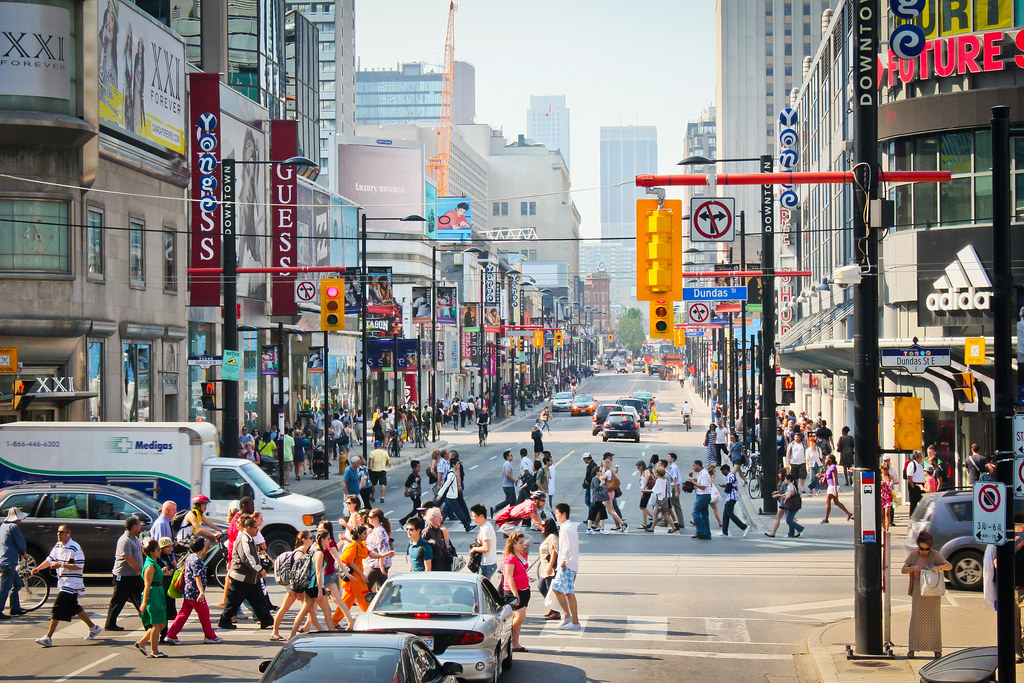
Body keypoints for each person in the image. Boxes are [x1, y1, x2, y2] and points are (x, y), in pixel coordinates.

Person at [31, 525, 102, 647]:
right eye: (58, 532)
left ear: (68, 533)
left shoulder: (75, 547)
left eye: (61, 532)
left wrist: (61, 565)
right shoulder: (58, 546)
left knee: (57, 607)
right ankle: (93, 627)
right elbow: (50, 560)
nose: (58, 534)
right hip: (62, 581)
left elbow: (79, 565)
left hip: (72, 582)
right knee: (74, 607)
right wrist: (38, 568)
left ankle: (48, 637)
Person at [218, 514, 274, 631]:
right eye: (255, 528)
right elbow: (247, 558)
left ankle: (266, 619)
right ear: (249, 528)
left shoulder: (248, 538)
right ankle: (224, 620)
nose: (257, 530)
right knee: (234, 600)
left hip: (250, 577)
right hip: (241, 576)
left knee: (258, 598)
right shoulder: (244, 539)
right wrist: (260, 569)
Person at [902, 530, 951, 659]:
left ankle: (936, 648)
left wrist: (938, 568)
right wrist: (913, 568)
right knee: (916, 619)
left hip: (932, 591)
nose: (924, 551)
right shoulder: (914, 556)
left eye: (927, 549)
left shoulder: (934, 555)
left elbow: (949, 566)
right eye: (922, 549)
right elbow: (903, 570)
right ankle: (913, 648)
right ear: (918, 546)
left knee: (934, 620)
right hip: (919, 589)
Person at [165, 536, 222, 645]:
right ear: (202, 547)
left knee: (183, 614)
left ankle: (171, 634)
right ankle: (210, 636)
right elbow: (197, 577)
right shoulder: (197, 560)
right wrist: (201, 592)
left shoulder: (190, 557)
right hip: (195, 593)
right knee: (204, 614)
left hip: (188, 591)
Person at [105, 515, 144, 631]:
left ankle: (148, 622)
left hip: (135, 576)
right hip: (124, 577)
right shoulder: (124, 540)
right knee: (118, 600)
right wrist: (141, 571)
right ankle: (110, 624)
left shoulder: (135, 539)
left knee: (140, 599)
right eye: (138, 524)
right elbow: (129, 559)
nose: (140, 526)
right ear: (133, 527)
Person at [134, 539, 168, 658]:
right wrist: (144, 602)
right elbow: (147, 585)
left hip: (158, 592)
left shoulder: (155, 562)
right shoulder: (150, 565)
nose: (160, 551)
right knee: (156, 624)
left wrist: (164, 571)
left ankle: (142, 642)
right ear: (152, 551)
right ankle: (155, 651)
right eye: (158, 549)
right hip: (153, 594)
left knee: (162, 624)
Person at [551, 503, 581, 630]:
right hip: (566, 564)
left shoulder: (566, 528)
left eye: (557, 513)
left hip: (567, 565)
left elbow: (567, 547)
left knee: (569, 593)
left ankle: (575, 622)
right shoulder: (567, 526)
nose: (556, 516)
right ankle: (567, 615)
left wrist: (563, 562)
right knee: (556, 588)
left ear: (564, 514)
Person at [501, 531, 531, 653]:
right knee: (519, 616)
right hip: (514, 591)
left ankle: (515, 643)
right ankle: (508, 639)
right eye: (520, 543)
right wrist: (515, 594)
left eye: (523, 542)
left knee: (520, 618)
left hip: (524, 589)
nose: (522, 545)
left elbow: (522, 569)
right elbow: (509, 577)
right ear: (513, 544)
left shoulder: (521, 555)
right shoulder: (509, 558)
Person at [0, 507, 29, 619]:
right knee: (5, 587)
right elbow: (20, 543)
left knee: (16, 584)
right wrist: (24, 553)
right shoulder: (14, 527)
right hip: (9, 561)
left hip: (3, 560)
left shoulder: (3, 526)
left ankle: (15, 608)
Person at [436, 458, 473, 532]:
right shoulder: (451, 474)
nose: (459, 465)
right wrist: (440, 495)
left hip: (451, 496)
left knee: (445, 511)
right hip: (451, 497)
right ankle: (467, 526)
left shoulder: (453, 473)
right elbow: (446, 485)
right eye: (458, 463)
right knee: (458, 512)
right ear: (453, 465)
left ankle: (436, 525)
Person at [538, 519, 560, 621]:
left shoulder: (552, 537)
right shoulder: (548, 537)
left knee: (547, 588)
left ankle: (556, 611)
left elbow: (554, 552)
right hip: (544, 567)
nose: (541, 527)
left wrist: (550, 565)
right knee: (542, 587)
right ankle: (553, 608)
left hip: (549, 568)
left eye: (543, 525)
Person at [365, 510, 393, 591]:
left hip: (377, 565)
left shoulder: (380, 531)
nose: (368, 519)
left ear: (376, 519)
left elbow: (382, 549)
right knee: (383, 590)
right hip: (376, 563)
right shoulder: (375, 529)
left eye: (370, 517)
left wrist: (381, 566)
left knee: (364, 586)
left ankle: (367, 602)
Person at [469, 504, 498, 580]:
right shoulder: (485, 526)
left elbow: (486, 548)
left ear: (481, 516)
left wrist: (474, 549)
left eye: (475, 516)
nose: (473, 518)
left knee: (482, 588)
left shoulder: (486, 529)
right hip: (487, 563)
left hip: (486, 564)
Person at [820, 454, 853, 523]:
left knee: (828, 501)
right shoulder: (829, 467)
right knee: (836, 502)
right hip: (831, 486)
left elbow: (834, 478)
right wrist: (821, 475)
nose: (825, 460)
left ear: (831, 460)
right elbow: (827, 475)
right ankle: (848, 514)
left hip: (832, 486)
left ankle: (826, 519)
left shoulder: (833, 467)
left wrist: (835, 490)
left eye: (827, 459)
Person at [720, 464, 749, 536]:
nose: (722, 473)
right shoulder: (730, 476)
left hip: (731, 497)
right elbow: (731, 485)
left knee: (730, 514)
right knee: (725, 514)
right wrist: (726, 486)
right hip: (731, 497)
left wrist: (726, 489)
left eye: (723, 472)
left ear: (726, 470)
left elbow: (729, 488)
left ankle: (744, 527)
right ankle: (724, 531)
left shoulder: (730, 476)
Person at [690, 460, 713, 540]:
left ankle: (700, 531)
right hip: (702, 495)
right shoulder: (700, 473)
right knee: (704, 515)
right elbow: (699, 480)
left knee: (695, 512)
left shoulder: (704, 474)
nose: (693, 467)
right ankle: (706, 533)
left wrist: (693, 482)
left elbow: (703, 486)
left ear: (698, 465)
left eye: (694, 466)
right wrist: (693, 478)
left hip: (703, 495)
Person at [764, 468, 791, 537]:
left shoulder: (784, 483)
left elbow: (786, 493)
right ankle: (795, 530)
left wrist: (777, 495)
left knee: (778, 517)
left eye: (780, 473)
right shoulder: (784, 482)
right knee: (790, 518)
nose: (779, 475)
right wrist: (778, 492)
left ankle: (773, 532)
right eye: (778, 473)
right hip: (785, 502)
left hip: (783, 503)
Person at [776, 473, 804, 538]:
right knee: (790, 519)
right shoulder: (791, 486)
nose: (785, 481)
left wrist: (785, 499)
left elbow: (788, 495)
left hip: (792, 505)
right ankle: (791, 533)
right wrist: (779, 495)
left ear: (789, 480)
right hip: (792, 505)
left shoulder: (790, 486)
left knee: (788, 520)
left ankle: (800, 528)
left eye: (786, 479)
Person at [400, 460, 423, 526]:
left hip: (416, 494)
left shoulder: (416, 474)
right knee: (417, 509)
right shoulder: (412, 475)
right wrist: (414, 480)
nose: (419, 468)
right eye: (418, 467)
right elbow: (407, 484)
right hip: (414, 494)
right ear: (414, 467)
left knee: (418, 508)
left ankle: (420, 522)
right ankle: (403, 521)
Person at [880, 459, 898, 531]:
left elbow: (892, 486)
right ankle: (883, 527)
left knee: (887, 512)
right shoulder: (879, 477)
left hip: (888, 496)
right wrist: (881, 484)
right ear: (881, 469)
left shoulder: (890, 477)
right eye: (884, 469)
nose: (886, 471)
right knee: (882, 514)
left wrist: (893, 485)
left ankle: (887, 529)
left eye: (887, 469)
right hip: (881, 496)